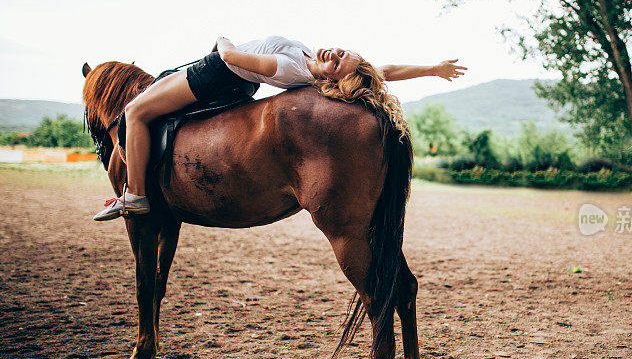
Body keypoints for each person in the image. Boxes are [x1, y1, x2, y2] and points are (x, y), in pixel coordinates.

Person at [93, 35, 467, 221]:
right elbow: (384, 71)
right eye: (341, 52)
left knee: (134, 110)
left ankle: (137, 194)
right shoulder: (311, 62)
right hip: (233, 81)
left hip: (216, 71)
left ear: (332, 83)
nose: (333, 55)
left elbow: (230, 57)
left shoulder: (290, 70)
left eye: (337, 65)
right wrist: (433, 69)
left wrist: (223, 39)